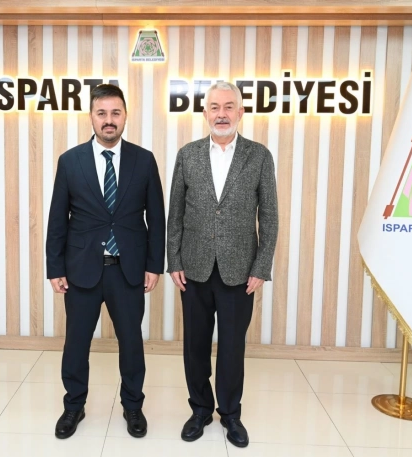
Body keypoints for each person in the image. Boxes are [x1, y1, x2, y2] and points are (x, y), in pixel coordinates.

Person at [46, 84, 165, 440]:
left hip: (128, 270)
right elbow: (57, 218)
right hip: (81, 270)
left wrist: (154, 265)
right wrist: (55, 267)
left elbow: (156, 218)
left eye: (115, 113)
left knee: (131, 342)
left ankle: (133, 405)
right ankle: (74, 405)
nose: (109, 120)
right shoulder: (70, 161)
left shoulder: (144, 160)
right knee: (76, 343)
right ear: (92, 117)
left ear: (125, 116)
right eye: (102, 113)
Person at [167, 81, 278, 448]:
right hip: (194, 268)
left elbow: (270, 217)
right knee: (195, 345)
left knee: (232, 347)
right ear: (205, 113)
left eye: (229, 106)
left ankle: (230, 413)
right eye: (214, 107)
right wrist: (174, 260)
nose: (222, 114)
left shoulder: (259, 156)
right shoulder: (187, 155)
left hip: (240, 271)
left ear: (241, 112)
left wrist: (261, 267)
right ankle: (200, 409)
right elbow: (175, 215)